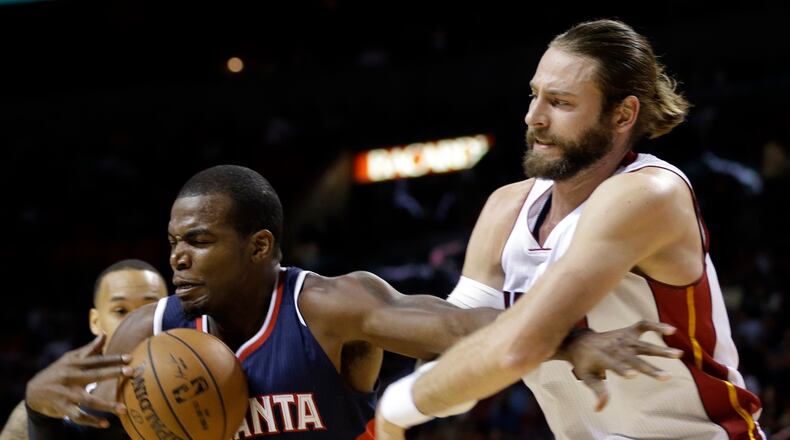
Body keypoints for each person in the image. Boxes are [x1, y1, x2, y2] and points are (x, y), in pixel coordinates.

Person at [25, 165, 681, 439]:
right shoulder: (147, 331)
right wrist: (35, 404)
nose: (178, 257)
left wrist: (572, 339)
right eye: (174, 243)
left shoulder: (327, 307)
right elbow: (52, 423)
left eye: (199, 241)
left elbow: (453, 324)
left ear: (259, 247)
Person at [377, 19, 765, 440]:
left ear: (622, 115)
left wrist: (395, 409)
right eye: (534, 95)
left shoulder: (648, 193)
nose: (534, 117)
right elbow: (453, 348)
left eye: (560, 103)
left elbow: (516, 347)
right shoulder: (505, 208)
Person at [1, 260, 167, 440]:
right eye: (121, 311)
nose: (137, 322)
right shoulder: (51, 405)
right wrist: (40, 422)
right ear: (95, 322)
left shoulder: (198, 386)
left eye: (150, 310)